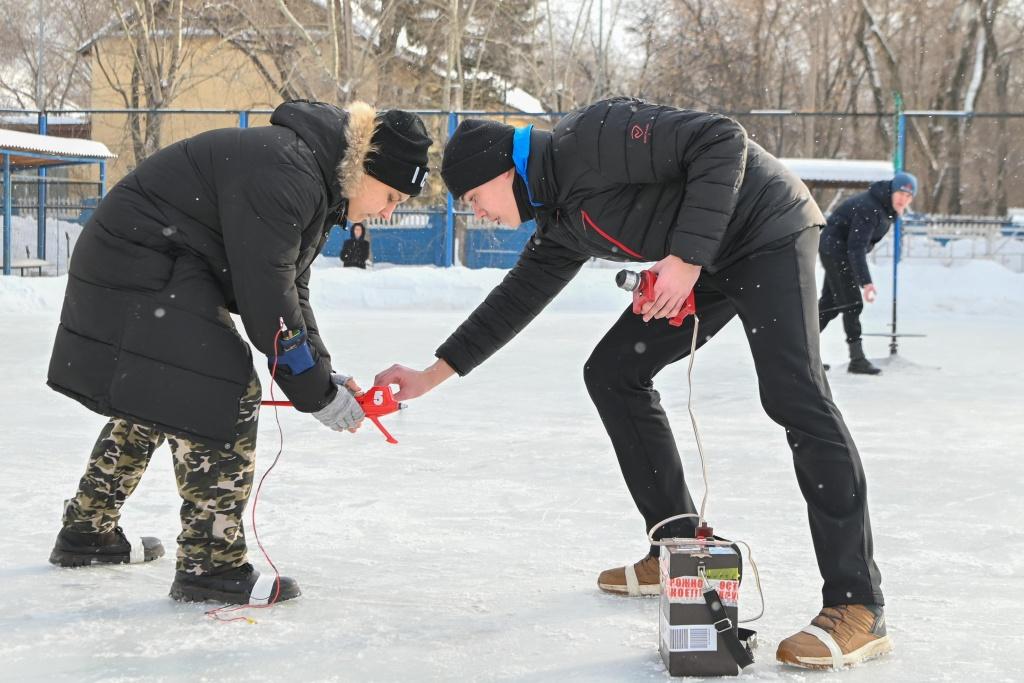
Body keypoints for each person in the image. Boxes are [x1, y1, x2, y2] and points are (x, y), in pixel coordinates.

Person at [374, 98, 891, 670]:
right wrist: (433, 374)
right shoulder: (560, 219)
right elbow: (515, 301)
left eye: (474, 199)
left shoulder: (591, 137)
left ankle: (857, 604)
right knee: (614, 372)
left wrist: (685, 258)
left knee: (795, 396)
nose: (478, 213)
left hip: (768, 229)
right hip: (708, 257)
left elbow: (721, 138)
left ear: (502, 171)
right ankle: (676, 543)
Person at [47, 100, 432, 605]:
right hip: (139, 261)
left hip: (147, 260)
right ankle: (211, 564)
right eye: (390, 196)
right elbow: (268, 304)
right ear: (364, 167)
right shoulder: (290, 173)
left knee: (163, 388)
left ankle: (87, 530)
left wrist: (324, 376)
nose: (387, 212)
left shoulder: (313, 177)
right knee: (219, 386)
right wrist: (314, 394)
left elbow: (291, 291)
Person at [819, 172, 918, 374]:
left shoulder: (886, 209)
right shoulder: (870, 208)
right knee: (852, 304)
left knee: (830, 304)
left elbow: (862, 244)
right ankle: (857, 360)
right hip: (836, 251)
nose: (903, 199)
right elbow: (856, 247)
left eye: (908, 197)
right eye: (900, 193)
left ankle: (802, 352)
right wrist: (866, 282)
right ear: (892, 190)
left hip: (837, 250)